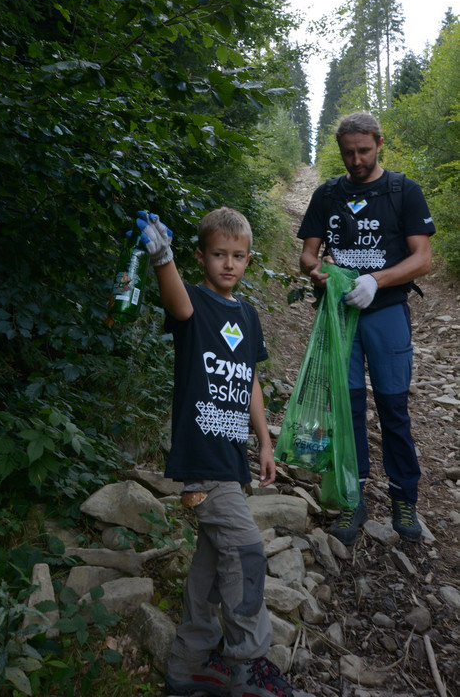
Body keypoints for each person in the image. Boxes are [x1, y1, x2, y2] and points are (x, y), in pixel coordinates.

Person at [136, 207, 301, 697]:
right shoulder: (195, 305)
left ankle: (189, 664)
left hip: (232, 459)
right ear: (200, 257)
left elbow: (250, 379)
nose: (228, 264)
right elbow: (178, 304)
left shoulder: (247, 315)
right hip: (202, 460)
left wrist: (265, 442)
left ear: (249, 259)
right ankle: (247, 667)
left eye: (238, 257)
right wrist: (161, 257)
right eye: (218, 255)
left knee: (211, 561)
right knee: (247, 552)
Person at [298, 112, 435, 546]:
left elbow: (422, 258)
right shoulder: (328, 194)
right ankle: (352, 498)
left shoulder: (402, 191)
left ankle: (404, 498)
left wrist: (376, 280)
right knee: (348, 408)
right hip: (340, 317)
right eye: (348, 152)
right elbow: (307, 254)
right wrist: (318, 271)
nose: (355, 160)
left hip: (387, 313)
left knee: (393, 409)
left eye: (363, 150)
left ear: (379, 144)